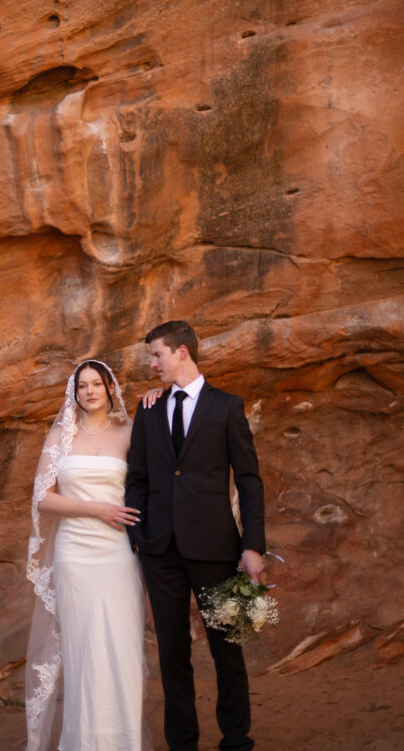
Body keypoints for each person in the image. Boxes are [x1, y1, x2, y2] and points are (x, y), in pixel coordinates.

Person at [126, 320, 265, 751]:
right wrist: (139, 536)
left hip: (215, 549)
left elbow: (249, 479)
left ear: (182, 352)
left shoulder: (226, 406)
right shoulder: (147, 409)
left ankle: (236, 740)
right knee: (172, 654)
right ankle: (181, 743)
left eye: (157, 355)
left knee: (227, 647)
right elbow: (138, 476)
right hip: (160, 551)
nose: (152, 364)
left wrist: (253, 545)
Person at [25, 359, 145, 751]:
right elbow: (43, 498)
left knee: (120, 648)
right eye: (82, 386)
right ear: (74, 393)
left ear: (111, 387)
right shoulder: (62, 434)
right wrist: (98, 509)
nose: (90, 391)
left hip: (116, 554)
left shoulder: (130, 432)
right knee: (82, 652)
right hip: (75, 553)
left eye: (97, 383)